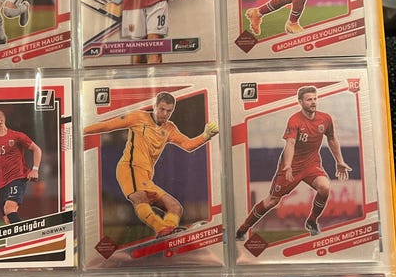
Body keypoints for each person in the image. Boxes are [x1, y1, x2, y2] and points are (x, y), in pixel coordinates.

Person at [83, 91, 219, 237]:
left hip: (146, 177)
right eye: (162, 109)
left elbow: (187, 145)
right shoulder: (138, 117)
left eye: (169, 111)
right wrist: (81, 131)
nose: (165, 114)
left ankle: (168, 232)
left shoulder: (169, 128)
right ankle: (161, 229)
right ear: (154, 106)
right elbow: (108, 125)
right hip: (130, 168)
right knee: (140, 198)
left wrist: (205, 136)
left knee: (175, 207)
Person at [236, 85, 351, 239]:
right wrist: (288, 165)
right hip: (292, 166)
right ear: (300, 102)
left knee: (324, 187)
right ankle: (242, 229)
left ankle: (311, 221)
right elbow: (290, 143)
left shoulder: (325, 119)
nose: (313, 102)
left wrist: (339, 161)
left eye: (315, 99)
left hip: (311, 164)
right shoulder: (295, 120)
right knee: (272, 201)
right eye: (309, 99)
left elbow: (331, 138)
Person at [0, 108, 42, 225]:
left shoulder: (16, 136)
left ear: (0, 121)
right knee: (7, 219)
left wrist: (35, 169)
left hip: (17, 178)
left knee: (9, 209)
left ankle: (29, 233)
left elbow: (37, 149)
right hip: (1, 183)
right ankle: (20, 236)